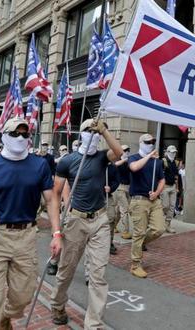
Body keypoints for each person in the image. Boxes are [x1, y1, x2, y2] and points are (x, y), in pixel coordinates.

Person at [0, 118, 62, 329]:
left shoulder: (39, 165)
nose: (21, 138)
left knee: (22, 296)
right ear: (4, 136)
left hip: (26, 238)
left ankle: (6, 317)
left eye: (25, 134)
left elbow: (50, 200)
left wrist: (57, 232)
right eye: (15, 134)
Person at [50, 118, 123, 328]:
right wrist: (56, 231)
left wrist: (105, 131)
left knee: (98, 275)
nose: (93, 134)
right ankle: (57, 303)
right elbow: (55, 194)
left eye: (96, 132)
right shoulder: (68, 161)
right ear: (80, 134)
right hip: (76, 221)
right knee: (66, 269)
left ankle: (93, 323)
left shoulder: (102, 157)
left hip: (99, 220)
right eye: (89, 130)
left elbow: (119, 153)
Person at [128, 134, 166, 278]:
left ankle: (139, 243)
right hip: (139, 200)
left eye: (153, 142)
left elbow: (162, 180)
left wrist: (156, 192)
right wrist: (149, 155)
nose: (151, 143)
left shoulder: (158, 162)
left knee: (159, 229)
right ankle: (135, 264)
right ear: (140, 143)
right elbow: (134, 167)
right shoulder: (134, 157)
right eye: (147, 142)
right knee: (139, 232)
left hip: (154, 200)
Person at [114, 145, 132, 239]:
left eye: (128, 150)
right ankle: (126, 231)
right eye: (125, 150)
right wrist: (124, 160)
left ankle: (113, 226)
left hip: (128, 187)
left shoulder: (129, 161)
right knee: (125, 210)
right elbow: (115, 165)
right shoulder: (118, 161)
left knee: (119, 211)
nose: (127, 152)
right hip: (120, 188)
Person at [161, 145, 179, 233]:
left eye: (175, 152)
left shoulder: (175, 162)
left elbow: (176, 176)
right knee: (165, 206)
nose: (174, 154)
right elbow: (159, 175)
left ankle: (167, 225)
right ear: (167, 152)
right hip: (164, 187)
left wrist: (177, 187)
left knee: (172, 207)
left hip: (173, 187)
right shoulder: (163, 161)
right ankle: (158, 221)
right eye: (172, 152)